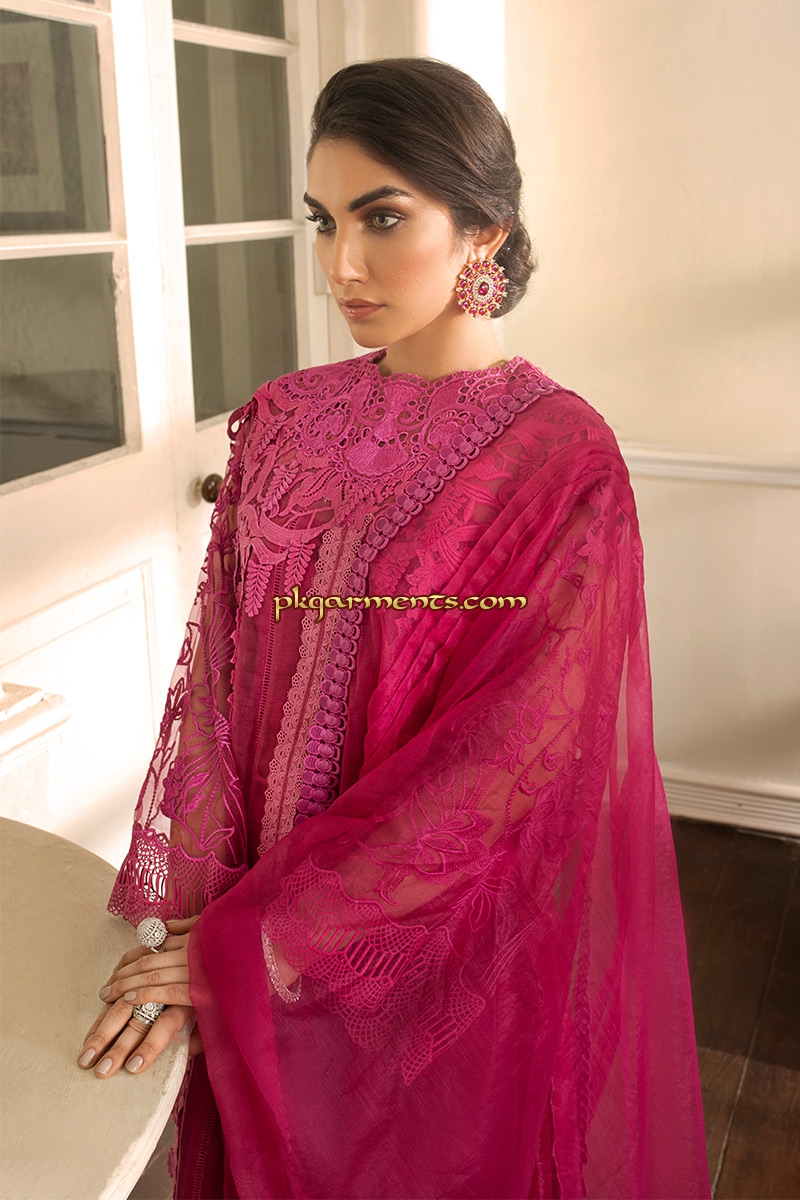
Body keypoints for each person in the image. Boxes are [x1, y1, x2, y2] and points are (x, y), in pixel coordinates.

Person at [78, 58, 711, 1199]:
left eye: (381, 218)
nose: (340, 265)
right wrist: (204, 922)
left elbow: (513, 759)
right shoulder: (283, 418)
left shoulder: (559, 461)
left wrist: (271, 939)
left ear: (483, 232)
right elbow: (218, 677)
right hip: (245, 914)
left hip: (428, 950)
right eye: (322, 220)